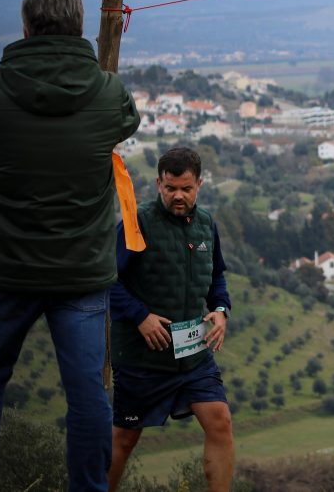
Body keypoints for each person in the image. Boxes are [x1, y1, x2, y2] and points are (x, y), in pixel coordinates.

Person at [0, 0, 141, 492]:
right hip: (81, 273)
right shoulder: (108, 94)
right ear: (80, 28)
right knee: (88, 393)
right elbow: (126, 120)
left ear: (24, 27)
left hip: (5, 270)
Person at [108, 147, 234, 492]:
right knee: (123, 439)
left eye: (186, 188)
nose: (178, 195)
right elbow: (107, 280)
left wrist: (221, 310)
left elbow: (217, 276)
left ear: (200, 185)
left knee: (220, 421)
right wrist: (140, 317)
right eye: (170, 188)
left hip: (193, 355)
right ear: (158, 184)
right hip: (141, 357)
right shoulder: (138, 223)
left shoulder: (207, 224)